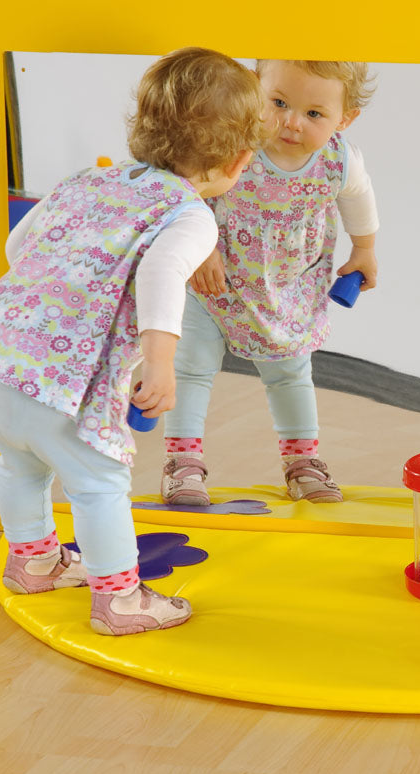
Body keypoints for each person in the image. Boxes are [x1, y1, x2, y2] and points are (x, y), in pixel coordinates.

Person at [0, 47, 266, 635]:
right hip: (63, 381)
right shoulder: (190, 215)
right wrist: (160, 363)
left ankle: (34, 562)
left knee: (19, 463)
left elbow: (18, 247)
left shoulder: (87, 180)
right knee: (98, 484)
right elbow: (160, 274)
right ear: (239, 160)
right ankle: (120, 601)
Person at [161, 59, 379, 506]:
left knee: (291, 375)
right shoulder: (234, 141)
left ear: (345, 118)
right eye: (278, 103)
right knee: (191, 367)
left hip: (287, 292)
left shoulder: (339, 160)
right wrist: (203, 247)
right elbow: (187, 191)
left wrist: (364, 249)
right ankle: (182, 462)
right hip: (212, 284)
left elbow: (358, 198)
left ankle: (303, 461)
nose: (291, 122)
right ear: (255, 90)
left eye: (314, 114)